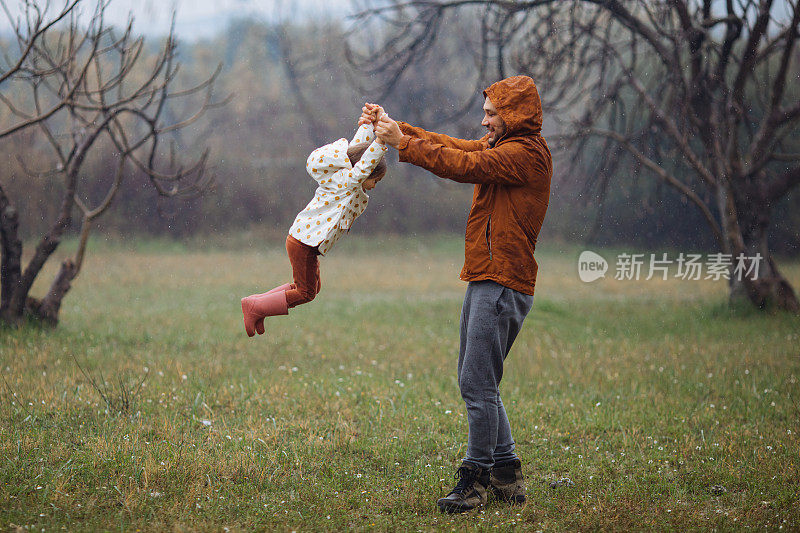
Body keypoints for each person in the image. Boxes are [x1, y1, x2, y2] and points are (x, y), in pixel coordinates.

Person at [361, 75, 552, 513]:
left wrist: (402, 146)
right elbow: (454, 147)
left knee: (476, 382)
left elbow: (462, 167)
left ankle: (475, 479)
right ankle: (507, 475)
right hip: (488, 275)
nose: (483, 122)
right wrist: (396, 129)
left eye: (491, 114)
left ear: (514, 117)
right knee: (481, 380)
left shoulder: (524, 156)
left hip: (502, 281)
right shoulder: (504, 147)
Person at [240, 117, 388, 337]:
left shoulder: (347, 179)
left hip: (304, 242)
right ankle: (256, 307)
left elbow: (357, 151)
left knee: (310, 289)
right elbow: (363, 162)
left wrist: (368, 124)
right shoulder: (348, 180)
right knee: (306, 292)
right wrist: (382, 142)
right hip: (303, 243)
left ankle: (259, 306)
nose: (375, 186)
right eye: (376, 180)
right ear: (366, 172)